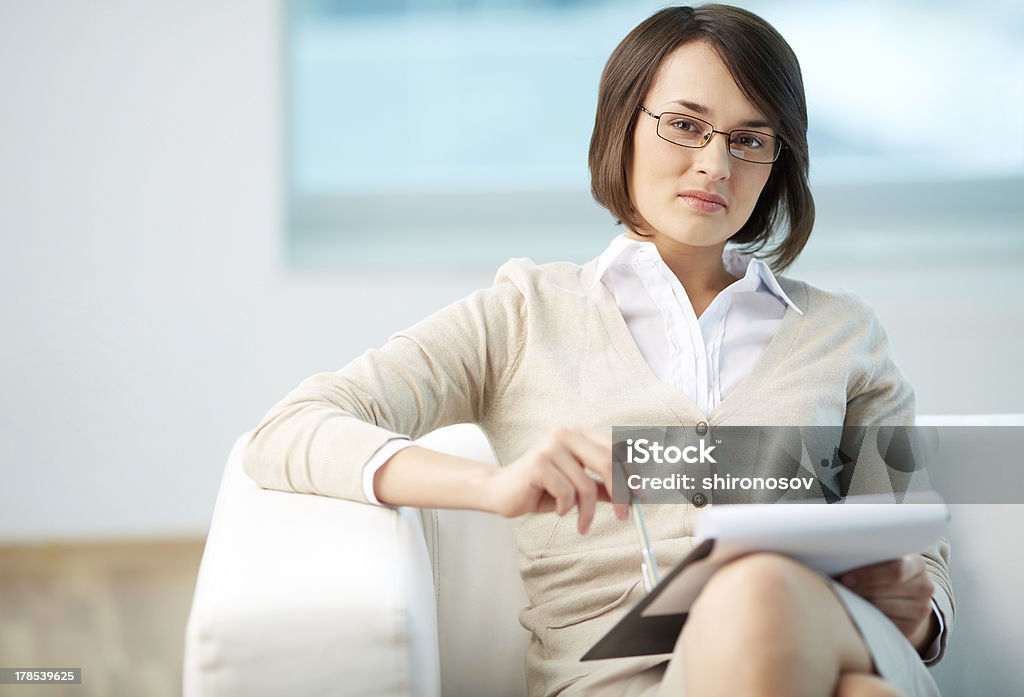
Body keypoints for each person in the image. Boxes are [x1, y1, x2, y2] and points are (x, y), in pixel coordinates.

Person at [244, 5, 953, 696]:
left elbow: (920, 569)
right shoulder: (524, 316)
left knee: (779, 600)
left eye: (748, 139)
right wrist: (493, 487)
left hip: (824, 632)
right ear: (624, 125)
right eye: (684, 125)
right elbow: (292, 427)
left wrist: (916, 610)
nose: (714, 164)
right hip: (619, 676)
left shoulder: (843, 333)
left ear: (778, 160)